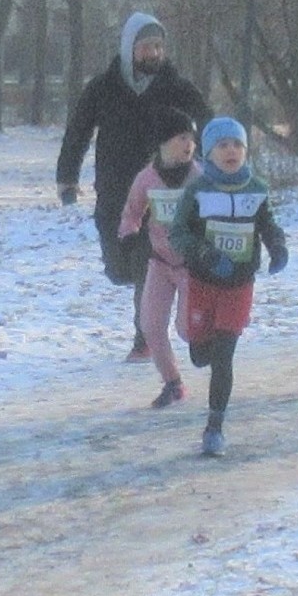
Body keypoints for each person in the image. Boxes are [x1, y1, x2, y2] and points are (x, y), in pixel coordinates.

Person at [56, 11, 211, 362]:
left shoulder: (174, 86)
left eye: (159, 46)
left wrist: (218, 160)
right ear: (130, 49)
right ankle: (149, 309)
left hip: (163, 192)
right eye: (147, 47)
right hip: (114, 191)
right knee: (118, 266)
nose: (154, 53)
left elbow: (206, 117)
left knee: (148, 260)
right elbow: (78, 131)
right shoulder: (103, 87)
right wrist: (67, 177)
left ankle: (144, 339)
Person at [170, 117, 288, 455]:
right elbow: (178, 234)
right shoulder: (198, 190)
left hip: (239, 285)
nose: (231, 151)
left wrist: (277, 247)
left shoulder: (257, 189)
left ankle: (214, 427)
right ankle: (199, 344)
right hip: (203, 283)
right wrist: (205, 254)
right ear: (208, 153)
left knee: (224, 356)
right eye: (222, 145)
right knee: (200, 354)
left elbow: (268, 225)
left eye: (237, 145)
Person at [117, 106, 202, 408]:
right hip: (160, 263)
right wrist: (128, 235)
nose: (189, 144)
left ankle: (213, 345)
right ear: (164, 142)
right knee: (150, 325)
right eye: (181, 138)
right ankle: (173, 384)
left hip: (192, 266)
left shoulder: (199, 176)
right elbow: (132, 211)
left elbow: (217, 211)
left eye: (191, 138)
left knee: (187, 329)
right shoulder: (147, 178)